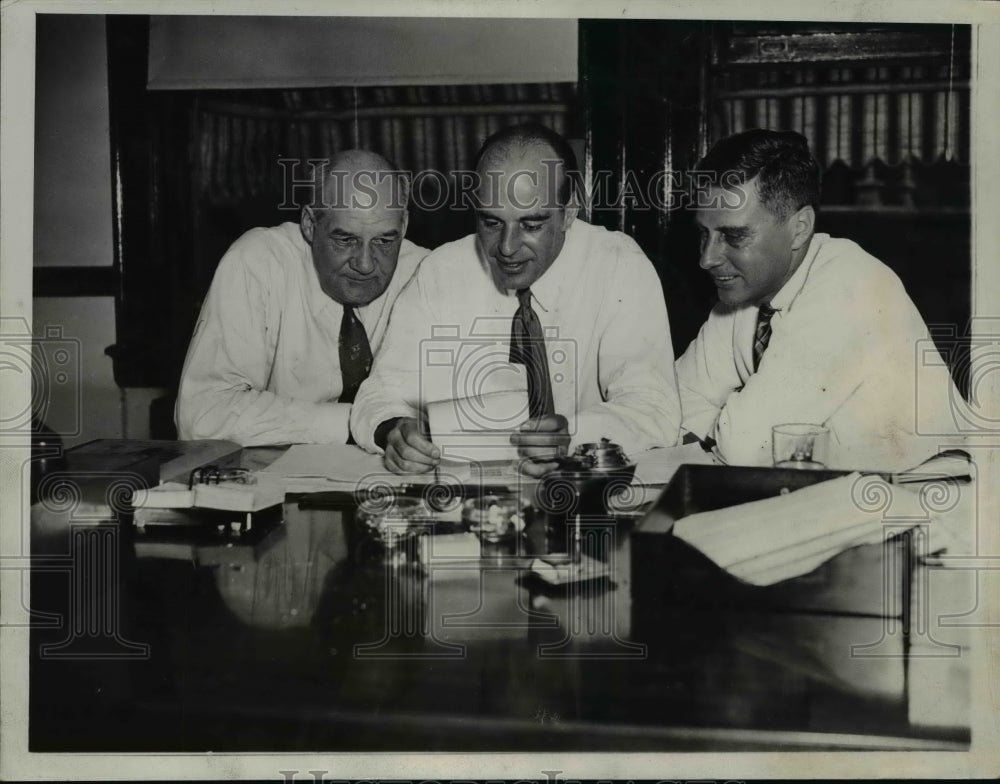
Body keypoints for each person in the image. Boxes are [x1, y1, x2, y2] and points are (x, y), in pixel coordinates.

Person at [350, 123, 682, 475]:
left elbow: (654, 408)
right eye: (491, 223)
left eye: (532, 225)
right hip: (471, 494)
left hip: (583, 489)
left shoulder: (618, 265)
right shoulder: (440, 271)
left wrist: (574, 434)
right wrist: (394, 429)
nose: (507, 248)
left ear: (569, 212)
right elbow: (380, 394)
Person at [675, 128, 961, 470]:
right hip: (831, 495)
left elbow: (745, 447)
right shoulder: (745, 290)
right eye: (703, 234)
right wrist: (730, 425)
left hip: (929, 498)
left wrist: (725, 425)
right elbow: (670, 401)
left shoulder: (849, 284)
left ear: (800, 227)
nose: (707, 259)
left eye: (734, 236)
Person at [175, 150, 428, 445]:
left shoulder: (425, 274)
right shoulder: (258, 262)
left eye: (385, 241)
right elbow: (202, 416)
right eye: (345, 239)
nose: (365, 264)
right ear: (309, 224)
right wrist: (367, 425)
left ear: (404, 226)